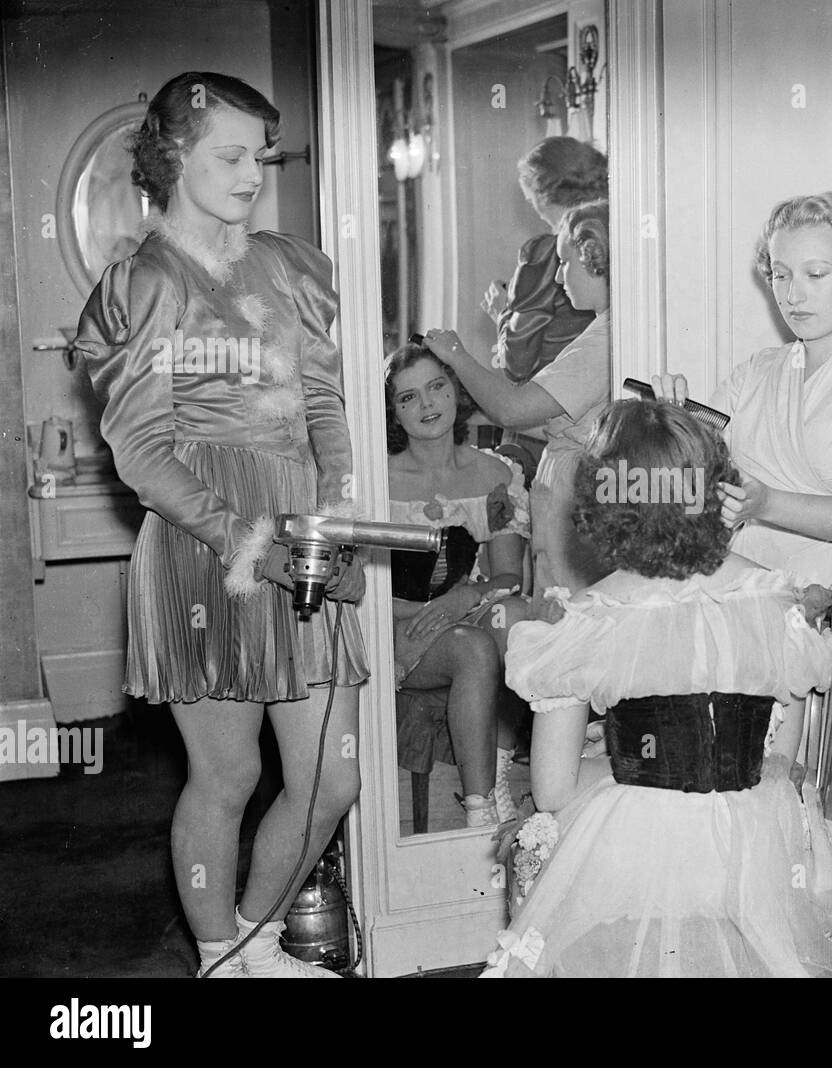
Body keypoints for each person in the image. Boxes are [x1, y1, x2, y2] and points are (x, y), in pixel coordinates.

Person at [74, 72, 369, 977]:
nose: (251, 174)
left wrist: (337, 509)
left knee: (333, 777)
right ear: (174, 159)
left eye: (260, 156)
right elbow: (141, 452)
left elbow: (323, 399)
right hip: (210, 545)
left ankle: (255, 937)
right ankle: (217, 957)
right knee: (230, 776)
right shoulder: (147, 282)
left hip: (298, 523)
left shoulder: (290, 263)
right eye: (230, 156)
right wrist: (254, 544)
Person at [481, 400, 832, 977]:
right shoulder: (777, 600)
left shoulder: (590, 617)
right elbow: (778, 758)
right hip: (754, 858)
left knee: (548, 844)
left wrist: (628, 764)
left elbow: (553, 788)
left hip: (634, 858)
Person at [654, 192, 832, 977]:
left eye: (814, 272)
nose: (793, 292)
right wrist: (665, 436)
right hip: (762, 630)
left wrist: (765, 501)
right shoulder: (755, 374)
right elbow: (695, 489)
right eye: (779, 274)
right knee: (772, 821)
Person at [423, 200, 611, 596]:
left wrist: (456, 354)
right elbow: (546, 417)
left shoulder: (605, 341)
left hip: (577, 511)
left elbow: (513, 406)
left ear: (595, 260)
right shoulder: (601, 332)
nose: (559, 277)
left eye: (565, 262)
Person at [384, 343, 531, 827]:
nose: (427, 406)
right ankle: (479, 810)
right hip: (393, 625)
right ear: (393, 412)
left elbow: (510, 577)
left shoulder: (495, 475)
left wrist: (463, 596)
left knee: (515, 620)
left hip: (461, 613)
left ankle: (498, 772)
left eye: (436, 387)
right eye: (408, 398)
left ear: (455, 391)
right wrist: (426, 614)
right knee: (472, 649)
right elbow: (360, 589)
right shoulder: (376, 481)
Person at [482, 136, 607, 382]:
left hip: (561, 395)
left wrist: (503, 312)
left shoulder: (543, 256)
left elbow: (516, 365)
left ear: (542, 195)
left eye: (530, 198)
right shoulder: (612, 231)